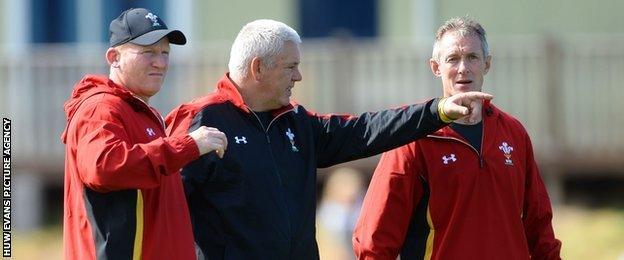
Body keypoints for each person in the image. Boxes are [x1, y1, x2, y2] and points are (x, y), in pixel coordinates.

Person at [165, 19, 492, 259]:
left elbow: (364, 130)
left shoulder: (295, 121)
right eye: (290, 67)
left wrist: (437, 111)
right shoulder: (202, 118)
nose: (299, 76)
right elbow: (163, 207)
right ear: (258, 68)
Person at [352, 17, 562, 260]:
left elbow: (539, 226)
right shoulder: (412, 139)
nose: (463, 68)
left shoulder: (514, 133)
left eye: (472, 57)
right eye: (453, 58)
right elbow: (375, 238)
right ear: (436, 67)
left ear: (487, 64)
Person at [60, 8, 227, 260]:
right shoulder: (101, 107)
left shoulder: (140, 110)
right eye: (148, 52)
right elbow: (105, 167)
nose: (160, 62)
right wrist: (187, 146)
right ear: (114, 57)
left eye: (164, 53)